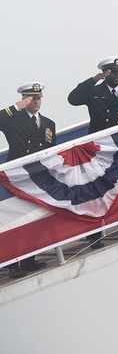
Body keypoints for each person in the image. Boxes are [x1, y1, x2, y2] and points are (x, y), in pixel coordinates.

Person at [67, 56, 118, 241]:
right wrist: (94, 79)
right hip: (100, 152)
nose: (117, 75)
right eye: (112, 72)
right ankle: (94, 236)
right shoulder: (93, 92)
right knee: (97, 192)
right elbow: (73, 99)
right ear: (105, 73)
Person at [1, 83, 56, 278]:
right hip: (16, 177)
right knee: (17, 221)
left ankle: (29, 260)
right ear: (25, 100)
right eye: (32, 98)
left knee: (36, 218)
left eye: (38, 98)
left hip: (38, 177)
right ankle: (13, 264)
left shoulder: (49, 124)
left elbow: (52, 152)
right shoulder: (12, 121)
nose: (36, 102)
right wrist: (16, 107)